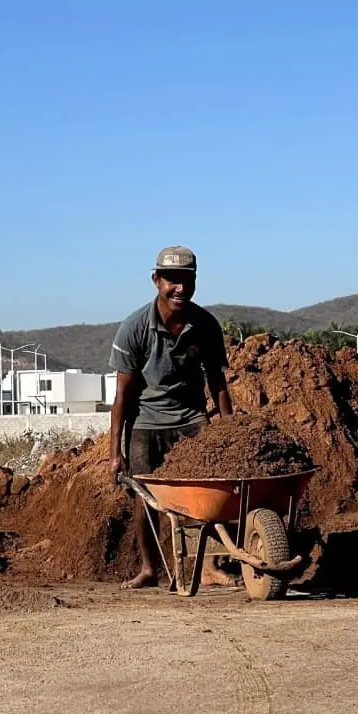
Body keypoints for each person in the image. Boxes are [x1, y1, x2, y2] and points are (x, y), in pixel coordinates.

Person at [108, 245, 233, 590]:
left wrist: (228, 430)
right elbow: (121, 397)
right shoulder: (134, 329)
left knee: (205, 500)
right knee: (145, 504)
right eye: (171, 280)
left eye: (186, 280)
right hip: (145, 424)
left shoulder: (205, 325)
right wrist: (115, 451)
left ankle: (208, 567)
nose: (179, 288)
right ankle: (150, 569)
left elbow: (217, 381)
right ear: (156, 280)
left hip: (192, 420)